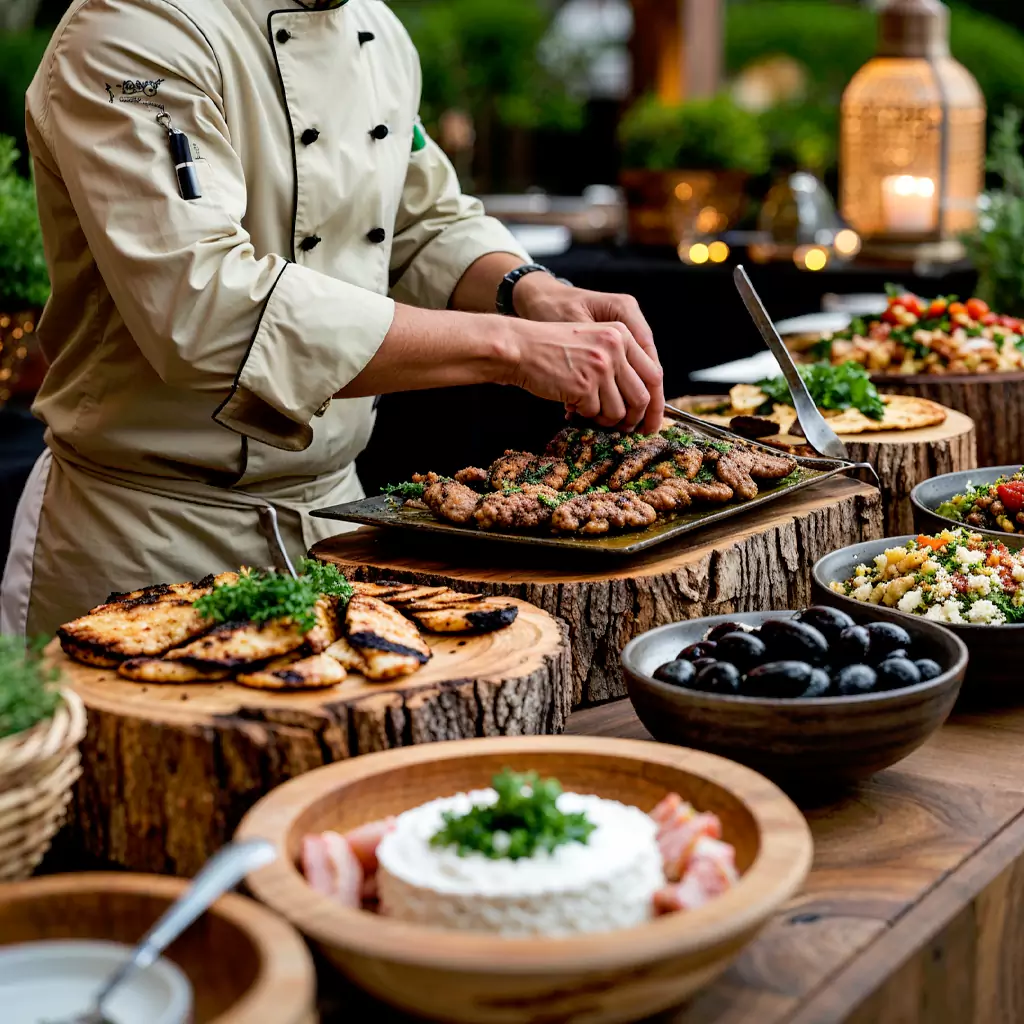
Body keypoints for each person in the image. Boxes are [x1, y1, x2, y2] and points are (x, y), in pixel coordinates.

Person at [0, 0, 662, 638]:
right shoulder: (133, 29)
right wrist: (514, 349)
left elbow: (424, 221)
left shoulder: (378, 32)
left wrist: (528, 290)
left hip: (334, 526)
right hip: (143, 537)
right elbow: (207, 308)